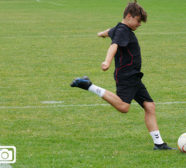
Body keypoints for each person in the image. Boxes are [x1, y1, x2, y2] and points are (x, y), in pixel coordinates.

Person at [71, 0, 175, 150]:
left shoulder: (119, 29)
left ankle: (159, 144)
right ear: (128, 16)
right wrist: (107, 61)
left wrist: (102, 34)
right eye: (138, 21)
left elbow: (110, 31)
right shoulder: (123, 31)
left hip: (134, 75)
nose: (139, 24)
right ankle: (89, 86)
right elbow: (114, 45)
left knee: (150, 106)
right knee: (123, 107)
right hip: (127, 74)